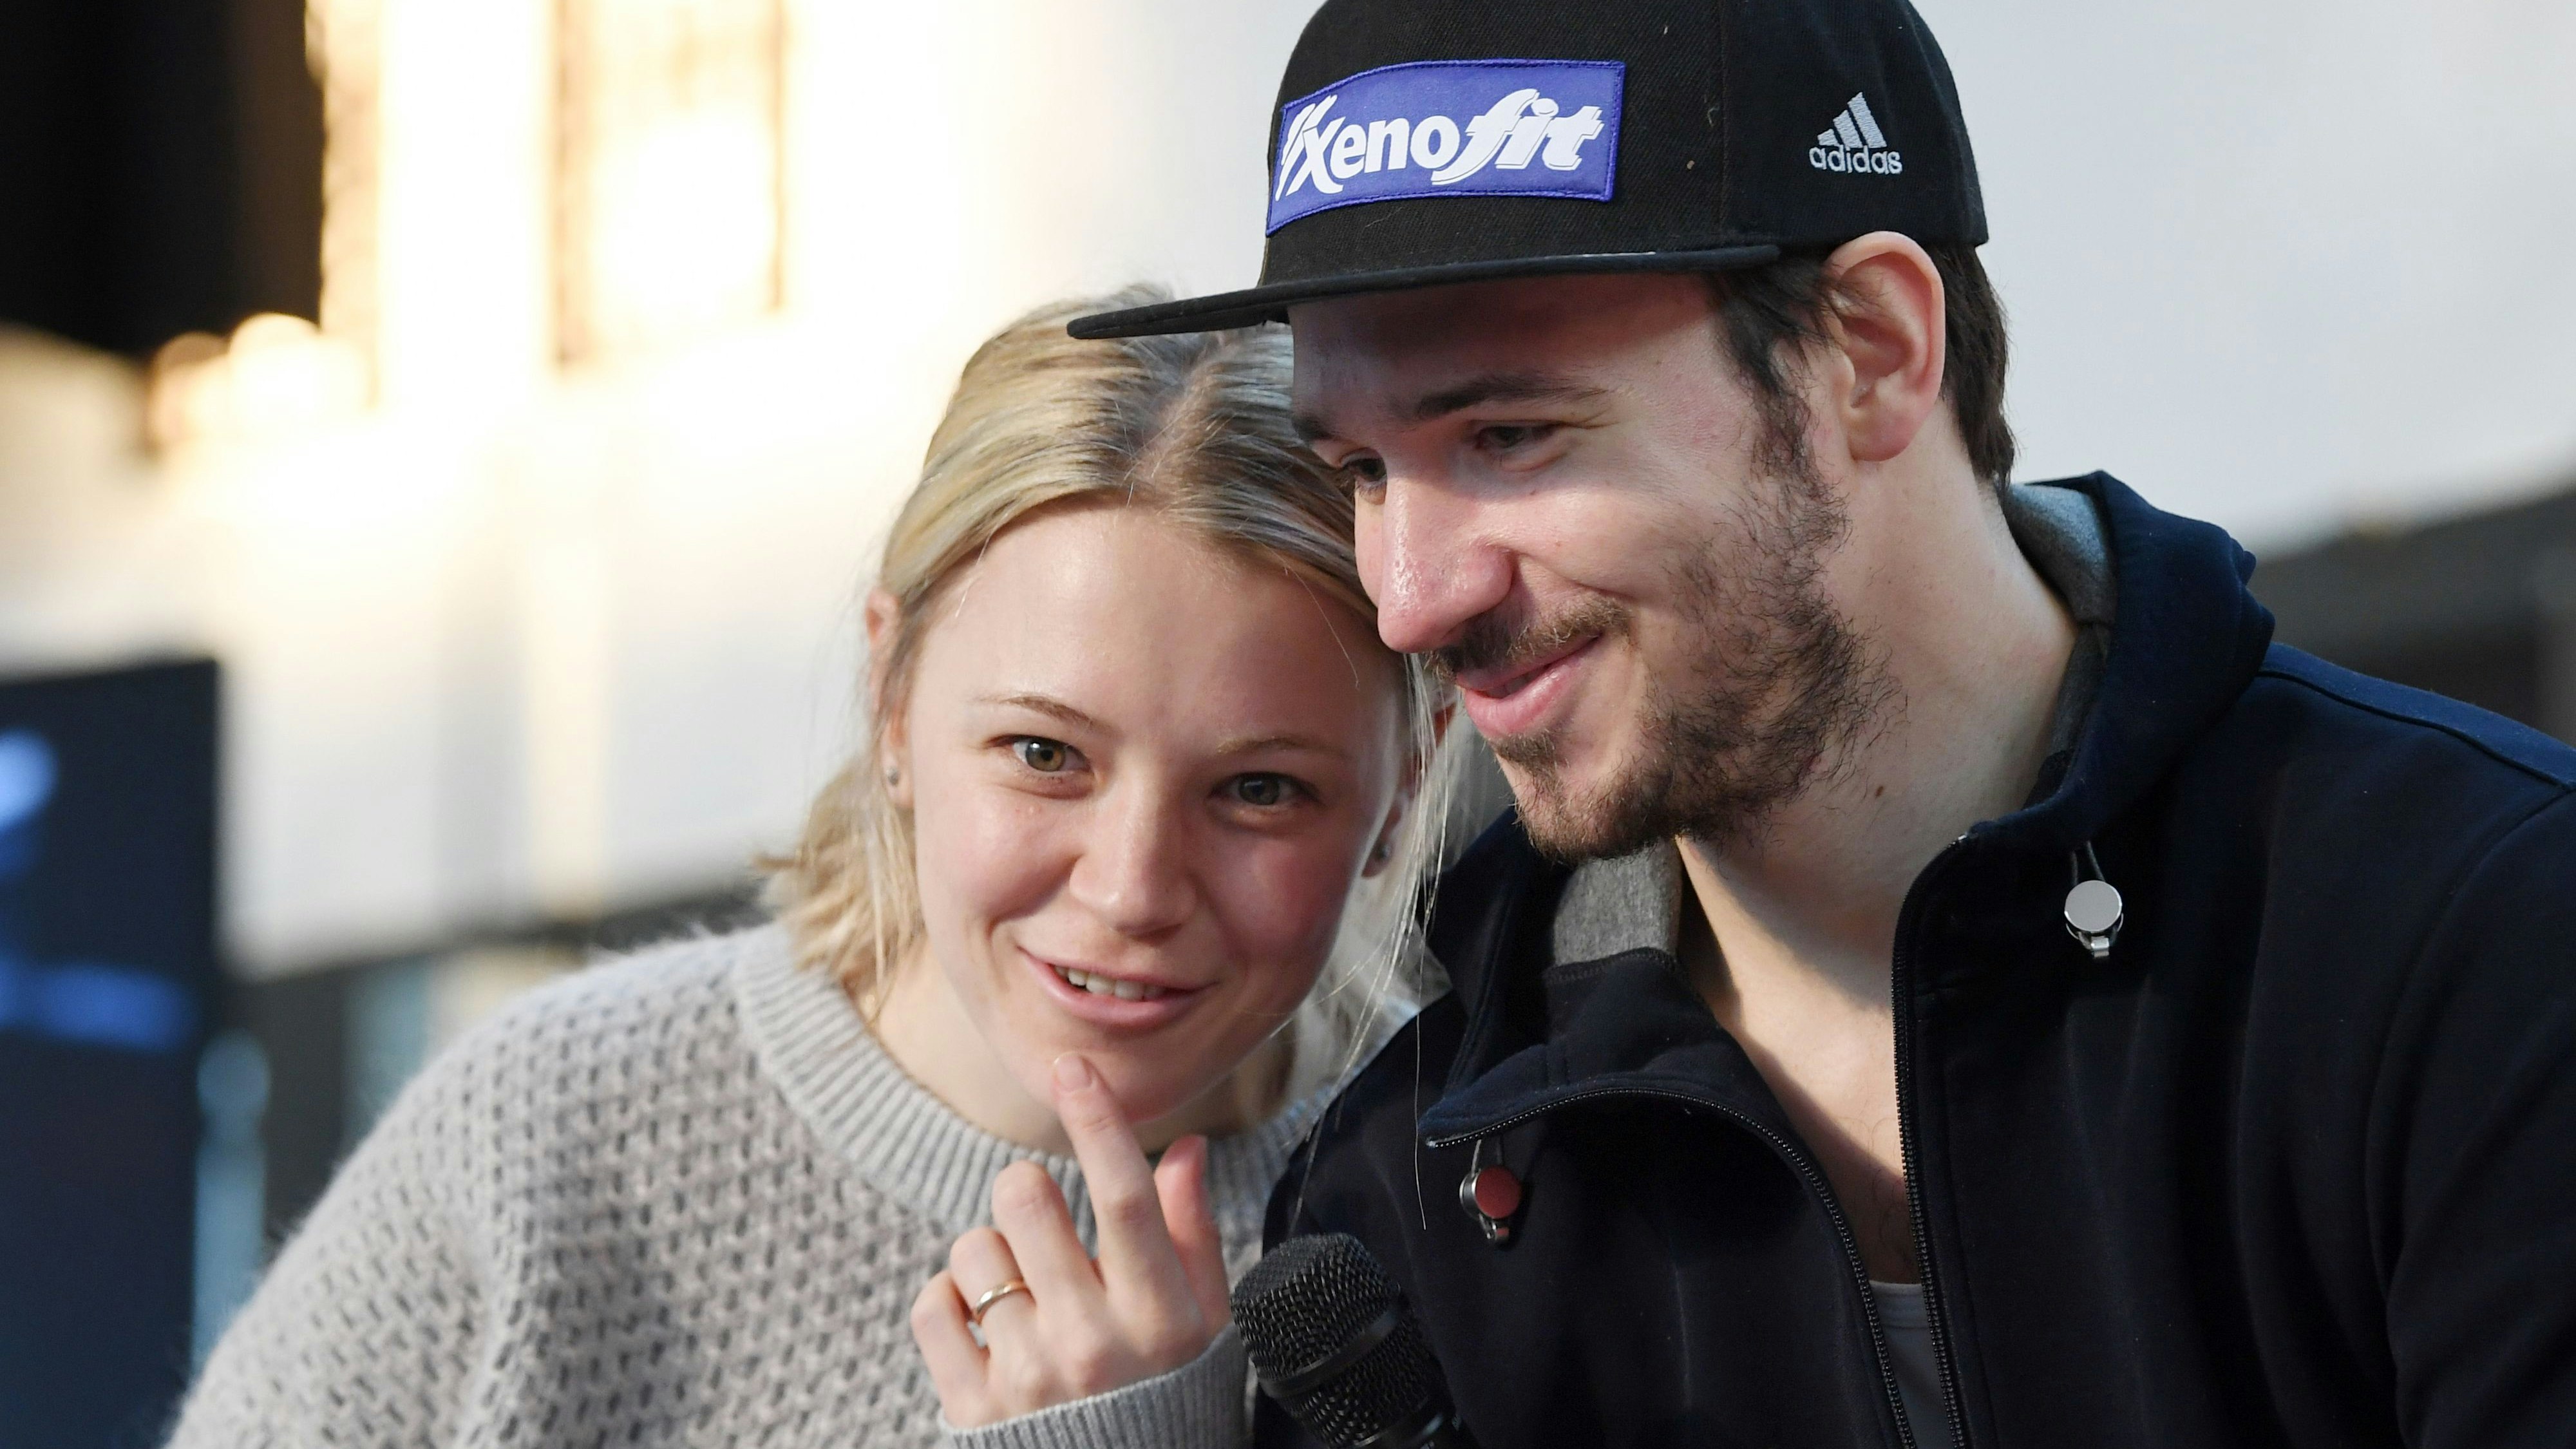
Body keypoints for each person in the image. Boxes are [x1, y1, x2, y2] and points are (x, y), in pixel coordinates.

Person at [1068, 3, 2576, 1447]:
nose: (1406, 600)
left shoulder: (2478, 949)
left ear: (1867, 349)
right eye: (1364, 474)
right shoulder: (1425, 1167)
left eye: (1506, 436)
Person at [167, 292, 1455, 1448]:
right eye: (1042, 753)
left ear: (1406, 781)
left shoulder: (1469, 1202)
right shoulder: (551, 1140)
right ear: (890, 701)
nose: (1130, 889)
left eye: (1257, 790)